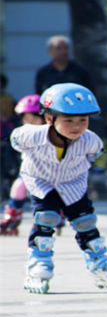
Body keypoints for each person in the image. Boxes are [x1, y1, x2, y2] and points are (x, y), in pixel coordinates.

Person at [10, 83, 107, 294]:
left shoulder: (91, 141)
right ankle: (38, 263)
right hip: (41, 181)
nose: (77, 126)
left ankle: (98, 262)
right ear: (49, 119)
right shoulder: (30, 135)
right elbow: (16, 142)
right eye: (68, 120)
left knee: (85, 222)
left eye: (83, 120)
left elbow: (94, 155)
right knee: (46, 218)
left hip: (73, 182)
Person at [1, 95, 45, 236]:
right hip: (29, 170)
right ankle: (12, 215)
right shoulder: (21, 133)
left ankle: (58, 211)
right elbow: (13, 151)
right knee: (19, 186)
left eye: (33, 119)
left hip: (51, 172)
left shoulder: (52, 134)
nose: (29, 123)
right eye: (26, 120)